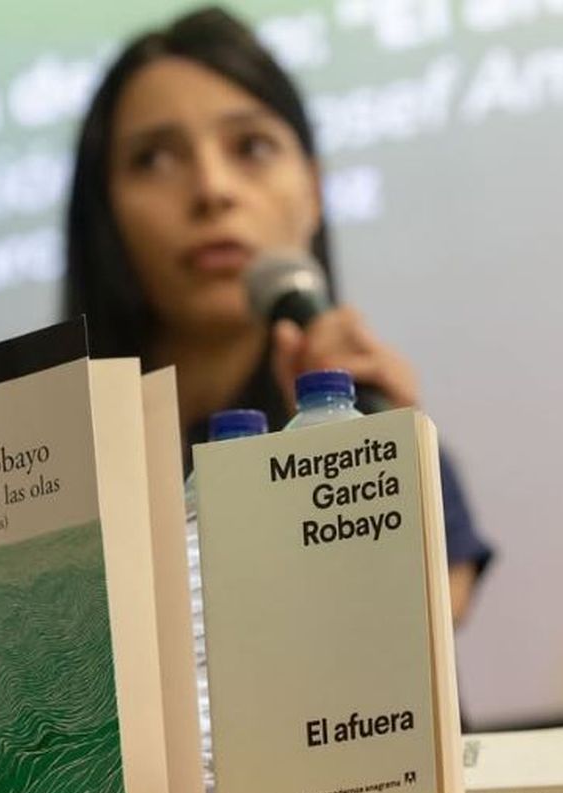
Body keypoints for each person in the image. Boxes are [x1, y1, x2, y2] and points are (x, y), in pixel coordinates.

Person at [63, 5, 492, 622]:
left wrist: (376, 455)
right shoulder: (64, 471)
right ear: (105, 215)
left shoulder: (366, 412)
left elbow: (429, 614)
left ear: (315, 192)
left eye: (252, 147)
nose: (213, 189)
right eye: (155, 159)